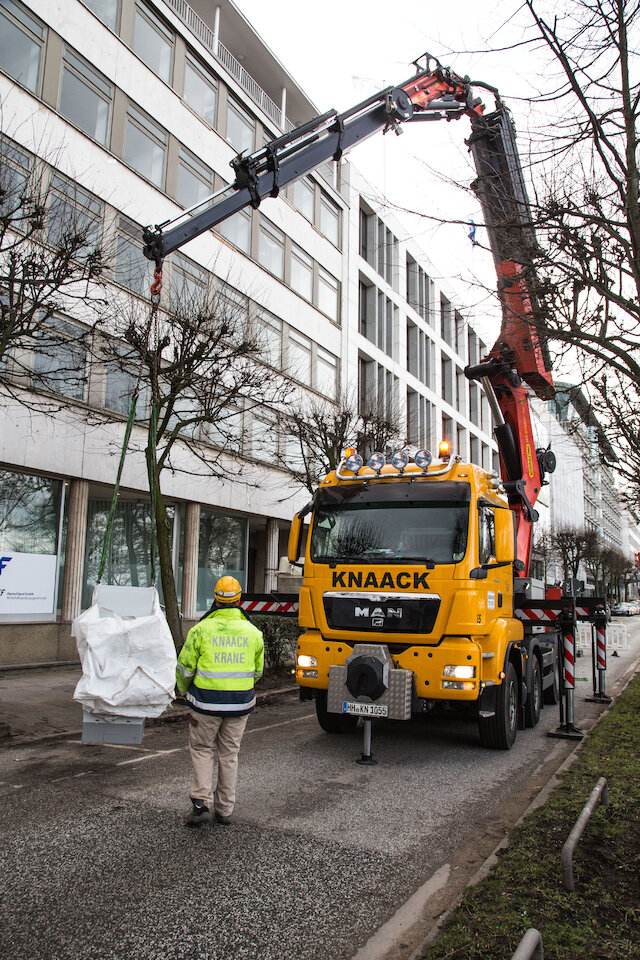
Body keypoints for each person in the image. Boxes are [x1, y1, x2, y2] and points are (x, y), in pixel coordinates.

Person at [175, 575, 264, 827]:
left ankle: (200, 804)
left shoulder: (200, 630)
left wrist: (183, 691)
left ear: (216, 599)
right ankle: (224, 809)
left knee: (203, 750)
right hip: (239, 704)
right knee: (229, 754)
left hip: (205, 704)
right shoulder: (253, 632)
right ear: (239, 599)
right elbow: (257, 672)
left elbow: (185, 668)